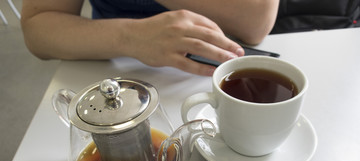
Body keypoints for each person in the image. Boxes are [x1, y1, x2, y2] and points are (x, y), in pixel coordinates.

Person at [21, 0, 279, 76]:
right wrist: (129, 37)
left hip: (219, 60)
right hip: (109, 60)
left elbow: (257, 21)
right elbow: (38, 30)